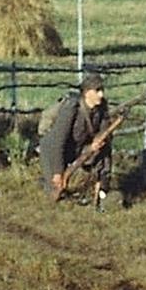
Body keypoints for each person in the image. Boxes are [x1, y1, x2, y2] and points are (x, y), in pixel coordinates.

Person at [37, 73, 113, 203]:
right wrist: (57, 172)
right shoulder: (71, 108)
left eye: (102, 90)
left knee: (104, 151)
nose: (101, 94)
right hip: (52, 150)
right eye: (97, 91)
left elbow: (105, 130)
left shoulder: (102, 107)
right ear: (87, 92)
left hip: (77, 148)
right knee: (56, 193)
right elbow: (57, 142)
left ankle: (102, 188)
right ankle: (45, 182)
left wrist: (98, 142)